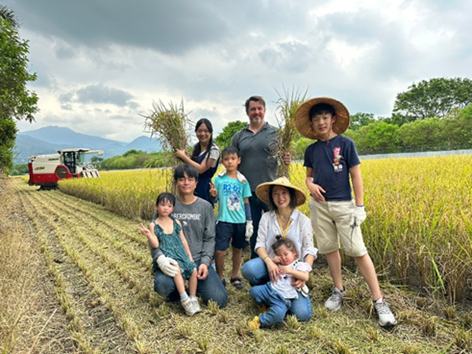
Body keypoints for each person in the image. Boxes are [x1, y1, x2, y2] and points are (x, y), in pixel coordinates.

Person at [294, 96, 397, 327]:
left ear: (333, 119)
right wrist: (309, 185)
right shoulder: (311, 149)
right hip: (319, 206)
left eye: (325, 117)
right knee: (330, 249)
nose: (321, 122)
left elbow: (356, 175)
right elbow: (309, 176)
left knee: (358, 251)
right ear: (311, 124)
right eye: (317, 119)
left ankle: (379, 300)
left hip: (343, 205)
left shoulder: (347, 144)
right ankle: (338, 289)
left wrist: (360, 206)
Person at [144, 164, 228, 308]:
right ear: (176, 182)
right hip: (173, 260)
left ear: (196, 183)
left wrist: (205, 262)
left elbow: (209, 238)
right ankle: (177, 289)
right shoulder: (166, 206)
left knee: (219, 300)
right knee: (162, 286)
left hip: (197, 260)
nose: (186, 183)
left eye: (190, 179)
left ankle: (196, 286)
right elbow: (154, 238)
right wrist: (160, 259)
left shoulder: (205, 207)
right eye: (182, 179)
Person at [241, 177, 318, 322]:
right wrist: (269, 262)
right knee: (249, 269)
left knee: (302, 315)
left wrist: (303, 273)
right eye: (275, 193)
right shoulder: (266, 218)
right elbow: (259, 245)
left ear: (291, 195)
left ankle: (280, 298)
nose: (280, 197)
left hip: (292, 271)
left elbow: (309, 250)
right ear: (271, 197)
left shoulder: (303, 221)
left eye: (284, 193)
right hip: (271, 265)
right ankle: (268, 291)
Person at [232, 96, 291, 258]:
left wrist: (287, 159)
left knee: (277, 229)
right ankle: (257, 265)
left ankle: (281, 263)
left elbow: (284, 158)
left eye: (259, 109)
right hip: (248, 193)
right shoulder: (239, 136)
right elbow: (232, 162)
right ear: (247, 112)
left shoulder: (276, 134)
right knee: (255, 231)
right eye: (253, 109)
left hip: (271, 191)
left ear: (264, 110)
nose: (256, 112)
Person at [137, 192, 201, 316]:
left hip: (181, 253)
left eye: (169, 206)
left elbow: (183, 240)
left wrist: (190, 257)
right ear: (156, 206)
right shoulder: (153, 225)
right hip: (168, 256)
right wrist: (149, 235)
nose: (166, 208)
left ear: (173, 208)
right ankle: (184, 298)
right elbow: (155, 245)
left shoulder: (176, 222)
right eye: (163, 205)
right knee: (175, 268)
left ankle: (193, 297)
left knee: (193, 269)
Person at [248, 237, 312, 329]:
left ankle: (260, 321)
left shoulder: (298, 264)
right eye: (280, 256)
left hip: (283, 298)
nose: (284, 258)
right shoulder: (279, 263)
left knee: (278, 314)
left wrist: (291, 271)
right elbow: (271, 268)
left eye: (286, 254)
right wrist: (273, 262)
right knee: (253, 291)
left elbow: (305, 276)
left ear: (294, 252)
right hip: (270, 288)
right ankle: (262, 305)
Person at [212, 146, 253, 289]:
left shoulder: (243, 181)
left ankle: (235, 276)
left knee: (238, 249)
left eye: (233, 159)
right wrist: (213, 195)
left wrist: (249, 221)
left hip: (240, 221)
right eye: (227, 159)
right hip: (223, 220)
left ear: (239, 160)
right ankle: (219, 277)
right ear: (222, 161)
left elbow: (246, 202)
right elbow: (215, 198)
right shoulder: (218, 179)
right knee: (220, 251)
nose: (230, 162)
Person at [175, 118, 220, 208]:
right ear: (196, 132)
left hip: (204, 187)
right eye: (200, 131)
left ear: (211, 133)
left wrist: (183, 156)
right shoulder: (197, 147)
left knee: (203, 211)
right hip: (193, 185)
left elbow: (200, 169)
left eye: (206, 131)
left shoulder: (213, 150)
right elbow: (191, 165)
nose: (203, 134)